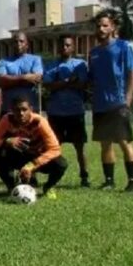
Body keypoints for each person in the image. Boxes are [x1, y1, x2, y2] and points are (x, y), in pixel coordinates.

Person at [89, 12, 133, 193]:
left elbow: (132, 73)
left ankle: (132, 183)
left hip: (117, 104)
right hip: (99, 105)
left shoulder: (123, 47)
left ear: (112, 28)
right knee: (105, 144)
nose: (101, 29)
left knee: (124, 142)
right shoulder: (93, 53)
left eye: (104, 26)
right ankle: (109, 181)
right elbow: (92, 78)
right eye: (98, 26)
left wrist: (127, 100)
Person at [0, 94, 68, 199]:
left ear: (31, 110)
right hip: (20, 156)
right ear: (12, 110)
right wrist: (6, 141)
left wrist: (32, 165)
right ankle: (11, 186)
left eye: (24, 110)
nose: (21, 113)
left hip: (38, 157)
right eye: (17, 110)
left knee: (61, 164)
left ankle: (48, 187)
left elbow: (55, 149)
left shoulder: (39, 122)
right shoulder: (7, 119)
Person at [43, 35, 90, 188]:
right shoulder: (51, 65)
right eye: (63, 45)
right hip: (55, 112)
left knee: (79, 146)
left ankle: (84, 176)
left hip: (75, 111)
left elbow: (82, 85)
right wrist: (68, 81)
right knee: (53, 146)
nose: (65, 48)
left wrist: (60, 84)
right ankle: (54, 176)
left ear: (73, 47)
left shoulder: (81, 64)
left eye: (68, 45)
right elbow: (48, 86)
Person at [0, 32, 43, 114]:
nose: (18, 44)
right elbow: (0, 81)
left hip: (30, 108)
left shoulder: (35, 60)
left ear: (27, 44)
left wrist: (10, 81)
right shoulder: (3, 61)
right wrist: (25, 78)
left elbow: (37, 78)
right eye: (15, 42)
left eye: (21, 41)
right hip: (9, 109)